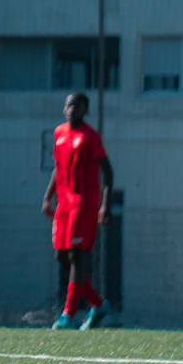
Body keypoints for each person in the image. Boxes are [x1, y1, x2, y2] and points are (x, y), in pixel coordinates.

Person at [41, 91, 114, 329]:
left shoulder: (90, 137)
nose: (73, 109)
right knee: (61, 257)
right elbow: (58, 167)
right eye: (70, 105)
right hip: (63, 204)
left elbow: (108, 172)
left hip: (83, 204)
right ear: (65, 108)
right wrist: (48, 197)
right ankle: (98, 304)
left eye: (79, 106)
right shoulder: (59, 133)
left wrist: (105, 204)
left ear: (85, 110)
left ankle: (68, 314)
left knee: (77, 255)